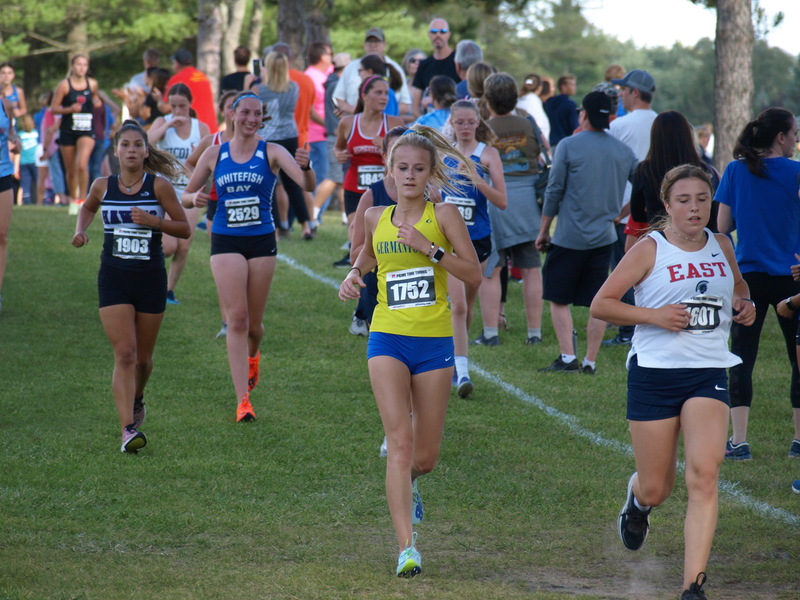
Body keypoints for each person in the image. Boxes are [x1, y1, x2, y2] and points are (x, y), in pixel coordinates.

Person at [591, 164, 756, 600]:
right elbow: (601, 304)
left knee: (704, 475)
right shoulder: (650, 249)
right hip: (654, 374)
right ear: (668, 205)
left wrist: (744, 303)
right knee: (657, 486)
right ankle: (638, 500)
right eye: (684, 200)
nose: (695, 208)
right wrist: (655, 317)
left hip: (707, 372)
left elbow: (737, 286)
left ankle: (692, 587)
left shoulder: (722, 244)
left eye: (703, 199)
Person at [338, 124, 481, 578]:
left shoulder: (444, 216)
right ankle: (406, 548)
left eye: (419, 168)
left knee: (424, 458)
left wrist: (430, 250)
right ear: (389, 170)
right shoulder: (375, 216)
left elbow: (474, 275)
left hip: (434, 342)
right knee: (399, 444)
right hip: (387, 338)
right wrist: (353, 275)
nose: (409, 175)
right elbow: (367, 255)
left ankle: (411, 484)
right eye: (402, 168)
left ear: (430, 172)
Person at [182, 91, 316, 422]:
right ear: (232, 114)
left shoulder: (272, 151)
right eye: (245, 112)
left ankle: (253, 355)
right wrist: (193, 199)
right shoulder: (214, 153)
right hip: (225, 240)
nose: (251, 119)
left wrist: (307, 166)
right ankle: (243, 400)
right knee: (236, 319)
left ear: (263, 118)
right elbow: (186, 194)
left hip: (261, 241)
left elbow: (306, 184)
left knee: (254, 325)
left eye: (257, 114)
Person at [71, 120, 191, 452]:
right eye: (126, 145)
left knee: (143, 360)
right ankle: (127, 430)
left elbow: (183, 229)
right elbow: (88, 207)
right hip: (113, 279)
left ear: (146, 150)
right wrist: (81, 230)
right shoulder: (101, 185)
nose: (132, 150)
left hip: (151, 280)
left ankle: (138, 396)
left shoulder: (159, 187)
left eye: (138, 145)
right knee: (125, 353)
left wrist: (155, 222)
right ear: (115, 150)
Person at [715, 107, 800, 460]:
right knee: (798, 357)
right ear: (781, 137)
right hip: (792, 276)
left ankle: (740, 439)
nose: (796, 140)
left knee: (741, 355)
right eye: (794, 133)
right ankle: (798, 440)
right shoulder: (796, 172)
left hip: (746, 276)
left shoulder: (735, 170)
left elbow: (722, 226)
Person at [535, 91, 637, 374]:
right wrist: (621, 212)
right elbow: (643, 185)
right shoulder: (622, 151)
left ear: (584, 115)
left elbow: (554, 190)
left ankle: (568, 357)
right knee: (599, 301)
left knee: (558, 298)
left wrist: (544, 230)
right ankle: (590, 361)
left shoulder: (568, 145)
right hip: (603, 238)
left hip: (568, 237)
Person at [473, 73, 541, 348]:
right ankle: (534, 333)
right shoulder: (528, 123)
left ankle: (490, 333)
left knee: (492, 268)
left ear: (487, 99)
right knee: (531, 269)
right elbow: (541, 152)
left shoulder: (482, 127)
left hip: (494, 201)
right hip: (527, 203)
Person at [444, 100, 506, 396]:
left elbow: (502, 201)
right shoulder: (442, 153)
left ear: (478, 123)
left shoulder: (488, 154)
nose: (466, 128)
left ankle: (458, 358)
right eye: (460, 123)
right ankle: (462, 373)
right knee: (457, 305)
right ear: (452, 123)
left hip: (478, 240)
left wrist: (477, 179)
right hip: (447, 240)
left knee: (466, 306)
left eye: (470, 122)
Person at [335, 75, 404, 282]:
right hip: (355, 189)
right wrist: (339, 154)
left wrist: (385, 144)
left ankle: (384, 276)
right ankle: (360, 280)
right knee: (357, 232)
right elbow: (338, 147)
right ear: (364, 96)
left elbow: (406, 153)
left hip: (385, 189)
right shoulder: (347, 122)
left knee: (385, 235)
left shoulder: (394, 123)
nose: (384, 97)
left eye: (386, 93)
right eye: (378, 92)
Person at [148, 83, 210, 304]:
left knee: (183, 247)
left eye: (181, 106)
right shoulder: (162, 122)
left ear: (189, 104)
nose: (177, 110)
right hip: (164, 192)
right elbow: (146, 142)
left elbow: (209, 158)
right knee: (169, 246)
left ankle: (168, 290)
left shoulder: (200, 128)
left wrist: (198, 158)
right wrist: (168, 125)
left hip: (188, 191)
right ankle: (148, 276)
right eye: (173, 106)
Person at [185, 90, 237, 338]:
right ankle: (227, 322)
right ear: (224, 111)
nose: (233, 112)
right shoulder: (212, 142)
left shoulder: (260, 142)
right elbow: (189, 163)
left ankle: (241, 317)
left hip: (251, 211)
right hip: (218, 207)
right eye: (230, 107)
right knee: (224, 266)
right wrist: (197, 187)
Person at [254, 50, 314, 239]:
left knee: (269, 184)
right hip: (290, 135)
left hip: (269, 137)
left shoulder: (260, 90)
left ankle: (277, 228)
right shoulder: (294, 88)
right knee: (293, 184)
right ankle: (305, 225)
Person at [51, 54, 102, 204]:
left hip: (86, 129)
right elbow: (53, 109)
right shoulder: (64, 85)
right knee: (71, 170)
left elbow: (95, 99)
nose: (82, 68)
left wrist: (97, 102)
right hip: (68, 130)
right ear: (72, 67)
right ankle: (73, 199)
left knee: (82, 164)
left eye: (85, 65)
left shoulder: (92, 84)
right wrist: (70, 109)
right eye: (79, 65)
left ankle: (83, 199)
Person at [333, 28, 411, 118]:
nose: (373, 45)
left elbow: (405, 105)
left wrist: (359, 113)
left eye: (376, 42)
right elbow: (337, 98)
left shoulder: (393, 76)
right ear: (364, 45)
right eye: (369, 42)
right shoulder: (351, 67)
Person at [411, 18, 461, 118]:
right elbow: (415, 107)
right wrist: (426, 126)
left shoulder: (458, 61)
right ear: (429, 35)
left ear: (449, 35)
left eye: (443, 31)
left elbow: (466, 95)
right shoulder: (424, 65)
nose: (438, 35)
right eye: (434, 31)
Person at [164, 49, 218, 134]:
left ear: (177, 63)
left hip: (193, 129)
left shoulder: (177, 79)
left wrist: (158, 101)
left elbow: (166, 107)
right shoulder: (202, 76)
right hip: (210, 129)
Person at [0, 96, 21, 312]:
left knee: (1, 234)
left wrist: (15, 141)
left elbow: (11, 131)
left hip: (3, 172)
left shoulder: (5, 104)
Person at [543, 74, 578, 148]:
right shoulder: (570, 105)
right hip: (565, 145)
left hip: (549, 144)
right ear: (563, 87)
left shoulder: (548, 103)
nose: (574, 88)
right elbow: (574, 127)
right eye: (572, 85)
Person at [517, 73, 550, 142]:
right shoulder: (534, 101)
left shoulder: (518, 100)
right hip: (534, 144)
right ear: (539, 87)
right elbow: (540, 126)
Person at [17, 114, 39, 205]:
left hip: (23, 162)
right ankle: (41, 199)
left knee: (25, 183)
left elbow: (18, 151)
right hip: (35, 161)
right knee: (38, 181)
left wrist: (16, 167)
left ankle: (26, 200)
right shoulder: (36, 134)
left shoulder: (20, 135)